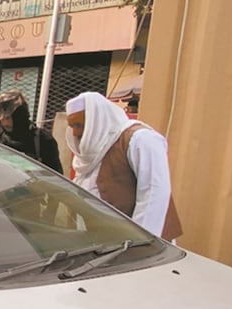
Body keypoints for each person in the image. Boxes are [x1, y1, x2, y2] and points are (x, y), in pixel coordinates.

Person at [64, 91, 182, 240]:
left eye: (79, 125)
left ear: (97, 121)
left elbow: (154, 193)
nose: (75, 133)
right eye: (72, 126)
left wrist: (140, 242)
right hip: (102, 240)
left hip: (137, 244)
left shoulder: (139, 139)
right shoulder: (93, 149)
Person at [0, 89, 63, 173]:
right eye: (2, 119)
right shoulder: (0, 140)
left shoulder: (43, 140)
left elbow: (56, 178)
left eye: (8, 118)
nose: (5, 123)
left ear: (20, 116)